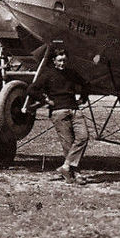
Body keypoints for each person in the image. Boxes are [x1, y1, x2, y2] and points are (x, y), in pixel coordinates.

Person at [29, 46, 91, 184]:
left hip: (74, 109)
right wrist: (46, 100)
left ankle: (66, 167)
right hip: (58, 112)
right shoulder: (47, 74)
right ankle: (76, 174)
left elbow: (86, 84)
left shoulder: (71, 73)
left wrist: (83, 98)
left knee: (83, 137)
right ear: (54, 61)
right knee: (68, 144)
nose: (62, 63)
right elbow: (32, 90)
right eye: (60, 61)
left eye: (64, 60)